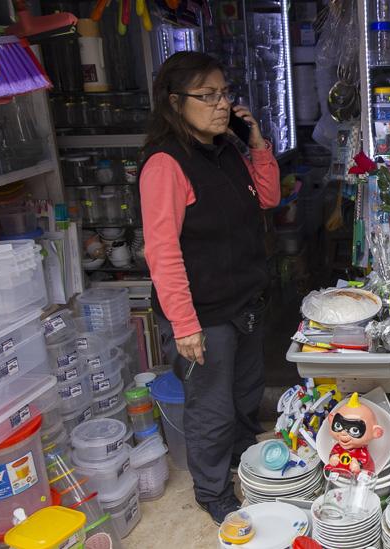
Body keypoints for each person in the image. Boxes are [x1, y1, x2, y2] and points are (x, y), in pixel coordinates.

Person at [139, 51, 279, 524]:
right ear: (175, 103)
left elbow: (269, 197)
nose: (222, 105)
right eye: (208, 96)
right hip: (203, 314)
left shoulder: (226, 151)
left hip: (244, 302)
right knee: (212, 409)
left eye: (224, 94)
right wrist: (185, 325)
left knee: (244, 398)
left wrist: (255, 141)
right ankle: (214, 491)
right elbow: (163, 252)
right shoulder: (166, 165)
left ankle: (246, 465)